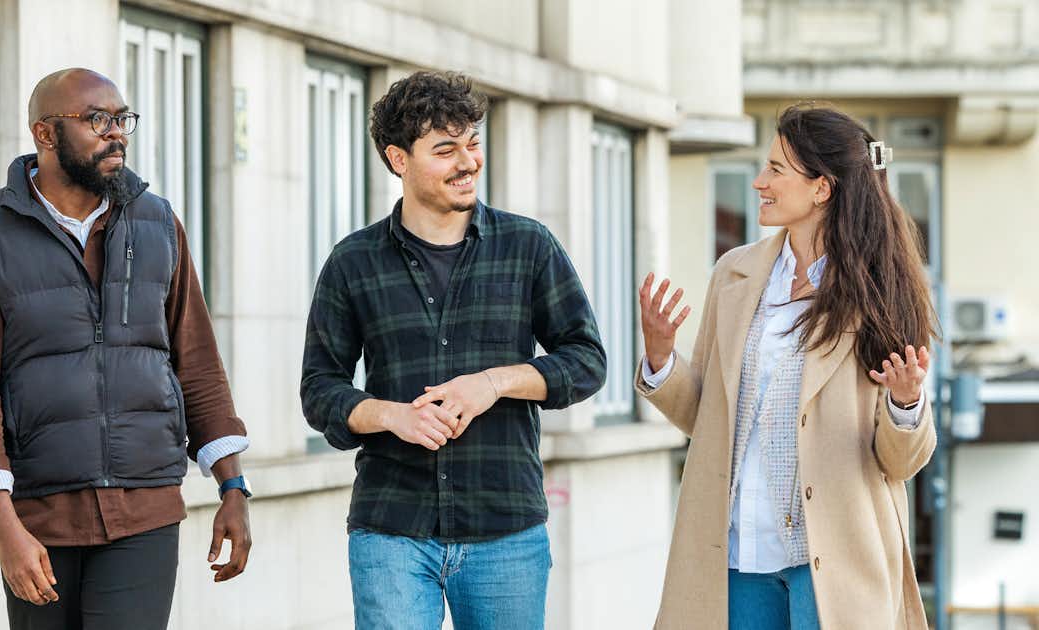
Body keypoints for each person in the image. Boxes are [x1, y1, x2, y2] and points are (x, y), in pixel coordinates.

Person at [0, 68, 253, 630]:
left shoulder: (158, 222)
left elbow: (197, 358)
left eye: (122, 119)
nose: (117, 133)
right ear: (45, 134)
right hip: (39, 516)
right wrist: (4, 528)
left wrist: (233, 485)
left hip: (145, 509)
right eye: (97, 120)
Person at [299, 71, 606, 630]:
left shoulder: (529, 246)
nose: (468, 163)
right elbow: (320, 390)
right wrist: (390, 416)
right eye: (445, 150)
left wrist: (494, 383)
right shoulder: (353, 262)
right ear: (398, 159)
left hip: (505, 528)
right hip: (391, 529)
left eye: (473, 144)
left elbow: (586, 360)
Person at [637, 103, 936, 629]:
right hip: (738, 551)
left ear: (822, 188)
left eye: (776, 169)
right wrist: (662, 357)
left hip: (835, 562)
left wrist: (905, 402)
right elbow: (707, 419)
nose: (759, 182)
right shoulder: (733, 274)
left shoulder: (880, 289)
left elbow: (899, 462)